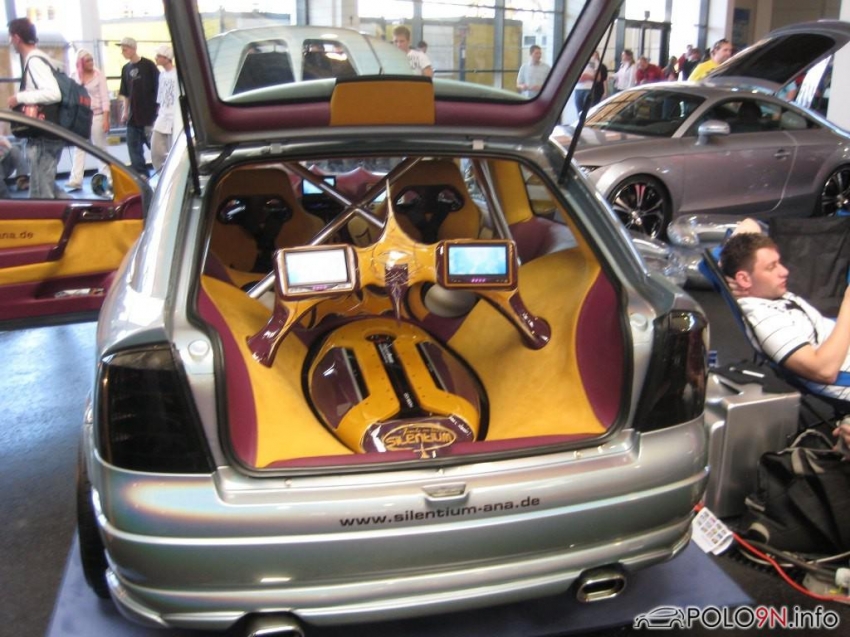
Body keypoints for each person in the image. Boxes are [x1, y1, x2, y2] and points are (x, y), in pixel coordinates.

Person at [719, 226, 850, 455]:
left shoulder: (767, 292)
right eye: (772, 267)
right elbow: (824, 371)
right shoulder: (765, 319)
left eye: (779, 263)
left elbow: (749, 223)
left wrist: (724, 267)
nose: (785, 271)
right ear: (744, 278)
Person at [6, 17, 65, 199]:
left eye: (10, 37)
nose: (10, 42)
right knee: (49, 187)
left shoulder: (34, 61)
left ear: (17, 38)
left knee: (41, 195)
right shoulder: (43, 59)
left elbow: (53, 93)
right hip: (50, 133)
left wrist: (19, 97)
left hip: (43, 137)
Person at [67, 49, 111, 191]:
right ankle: (76, 179)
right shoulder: (74, 76)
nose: (91, 63)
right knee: (79, 147)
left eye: (92, 60)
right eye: (88, 60)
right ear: (81, 63)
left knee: (100, 148)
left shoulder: (98, 75)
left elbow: (105, 98)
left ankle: (107, 179)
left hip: (96, 115)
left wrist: (106, 119)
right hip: (81, 116)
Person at [117, 36, 159, 177]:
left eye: (125, 49)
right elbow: (126, 93)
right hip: (133, 117)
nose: (123, 52)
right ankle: (141, 175)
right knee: (133, 148)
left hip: (149, 115)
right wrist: (125, 111)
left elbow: (158, 87)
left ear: (133, 49)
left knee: (155, 148)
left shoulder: (148, 65)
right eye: (122, 50)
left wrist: (158, 110)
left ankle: (163, 172)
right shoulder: (125, 69)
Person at [151, 44, 179, 173]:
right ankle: (161, 173)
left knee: (172, 149)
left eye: (159, 56)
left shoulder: (177, 75)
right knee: (156, 150)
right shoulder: (162, 75)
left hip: (174, 117)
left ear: (167, 58)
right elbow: (161, 96)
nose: (156, 58)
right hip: (163, 115)